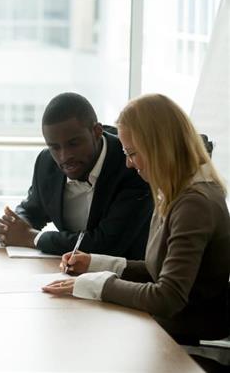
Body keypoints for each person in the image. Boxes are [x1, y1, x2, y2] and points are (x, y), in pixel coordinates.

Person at [43, 94, 229, 347]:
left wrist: (94, 285)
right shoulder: (176, 192)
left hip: (182, 336)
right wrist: (95, 264)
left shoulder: (193, 204)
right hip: (164, 327)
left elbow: (167, 297)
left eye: (132, 153)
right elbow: (158, 270)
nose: (129, 164)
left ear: (158, 147)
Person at [0, 92, 153, 259]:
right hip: (66, 272)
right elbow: (32, 209)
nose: (64, 157)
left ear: (97, 132)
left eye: (73, 144)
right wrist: (12, 226)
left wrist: (31, 237)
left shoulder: (131, 164)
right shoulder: (46, 163)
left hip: (127, 277)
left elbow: (106, 245)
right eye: (54, 147)